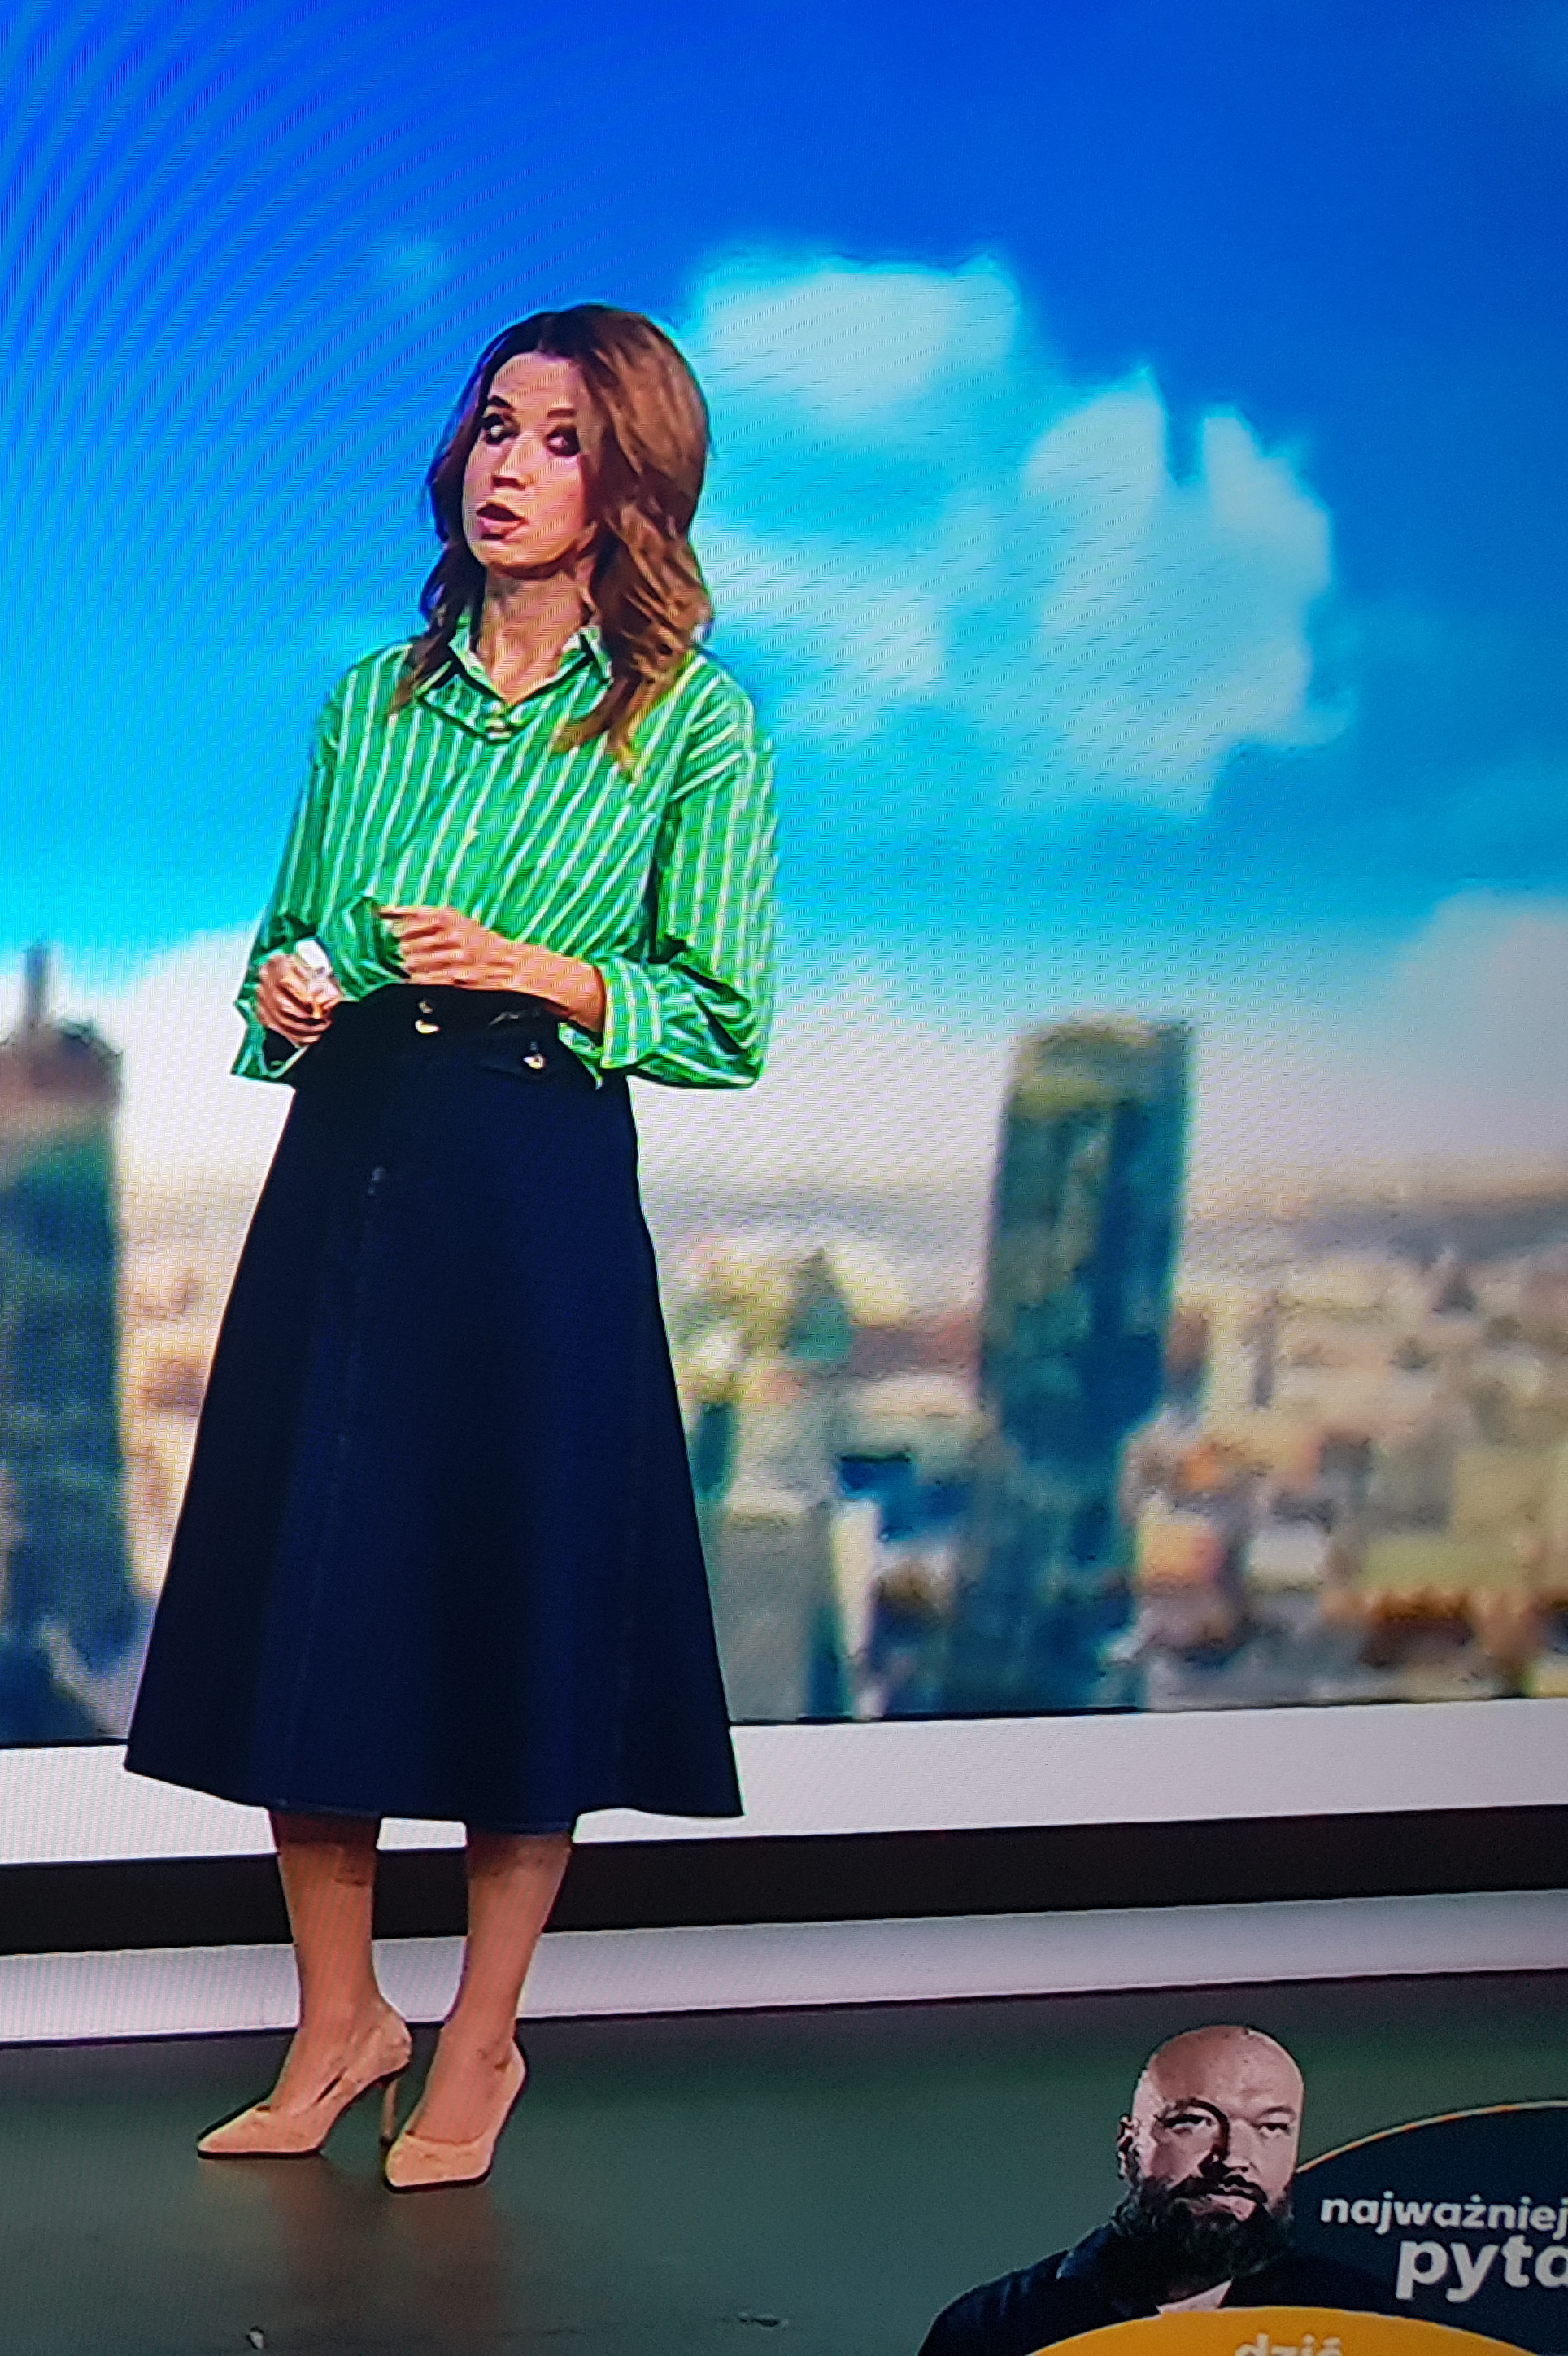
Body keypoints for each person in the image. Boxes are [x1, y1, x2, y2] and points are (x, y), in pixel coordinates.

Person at [121, 304, 774, 2192]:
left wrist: (534, 970)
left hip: (530, 1176)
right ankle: (340, 2021)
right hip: (355, 1160)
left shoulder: (693, 724)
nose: (510, 466)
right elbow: (285, 943)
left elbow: (722, 1012)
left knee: (513, 1598)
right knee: (320, 1596)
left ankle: (482, 2034)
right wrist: (290, 991)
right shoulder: (369, 702)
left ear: (631, 484)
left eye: (562, 439)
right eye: (496, 425)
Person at [919, 2026, 1396, 2356]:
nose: (1234, 2158)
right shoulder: (995, 2330)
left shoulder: (1367, 2323)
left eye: (1271, 2128)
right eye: (1194, 2122)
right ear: (1130, 2146)